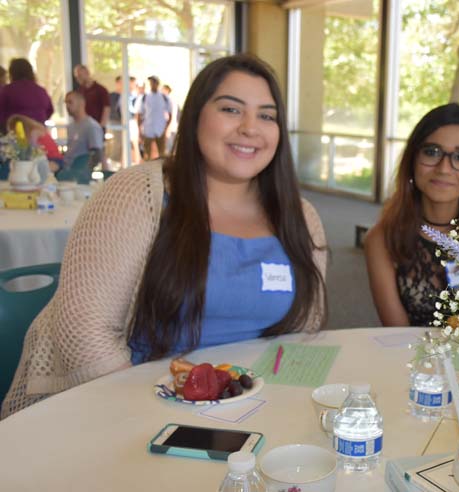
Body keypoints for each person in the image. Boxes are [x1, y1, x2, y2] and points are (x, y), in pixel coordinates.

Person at [1, 53, 328, 419]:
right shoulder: (137, 193)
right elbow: (83, 329)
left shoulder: (300, 216)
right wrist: (152, 414)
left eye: (267, 116)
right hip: (134, 406)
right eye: (231, 110)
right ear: (194, 118)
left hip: (252, 405)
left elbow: (303, 332)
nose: (251, 128)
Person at [365, 103, 459, 327]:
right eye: (432, 152)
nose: (444, 168)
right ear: (413, 160)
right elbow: (396, 334)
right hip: (411, 358)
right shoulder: (381, 239)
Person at [0, 58, 53, 132]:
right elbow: (50, 111)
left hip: (17, 136)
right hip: (40, 134)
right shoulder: (41, 91)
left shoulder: (7, 91)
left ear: (12, 73)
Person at [62, 91, 104, 170]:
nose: (67, 106)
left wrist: (82, 171)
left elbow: (96, 155)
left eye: (70, 102)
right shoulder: (70, 126)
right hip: (66, 169)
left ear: (81, 103)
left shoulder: (91, 126)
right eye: (66, 103)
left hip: (79, 173)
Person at [137, 75, 172, 160]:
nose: (153, 84)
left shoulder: (164, 98)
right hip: (148, 128)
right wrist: (139, 129)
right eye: (151, 82)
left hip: (160, 128)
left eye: (154, 82)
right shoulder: (144, 97)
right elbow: (139, 114)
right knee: (147, 154)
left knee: (162, 154)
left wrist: (166, 128)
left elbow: (170, 114)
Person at [73, 64, 110, 131]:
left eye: (80, 76)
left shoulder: (101, 90)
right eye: (77, 77)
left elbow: (106, 108)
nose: (78, 79)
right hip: (83, 128)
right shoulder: (79, 91)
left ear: (87, 73)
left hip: (97, 126)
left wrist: (101, 126)